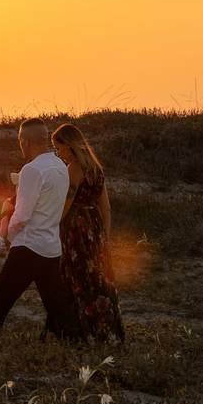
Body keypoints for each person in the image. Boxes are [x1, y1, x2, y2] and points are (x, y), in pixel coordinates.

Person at [0, 118, 78, 339]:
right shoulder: (61, 167)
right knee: (57, 304)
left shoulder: (31, 170)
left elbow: (22, 215)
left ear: (25, 142)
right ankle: (77, 344)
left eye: (19, 141)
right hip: (52, 247)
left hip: (29, 246)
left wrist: (5, 232)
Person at [52, 123, 125, 343]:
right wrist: (105, 236)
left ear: (69, 145)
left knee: (76, 276)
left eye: (59, 148)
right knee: (99, 278)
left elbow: (67, 203)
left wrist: (52, 224)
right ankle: (105, 330)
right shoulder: (96, 168)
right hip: (95, 228)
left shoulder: (73, 168)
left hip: (76, 228)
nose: (58, 153)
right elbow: (106, 207)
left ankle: (80, 332)